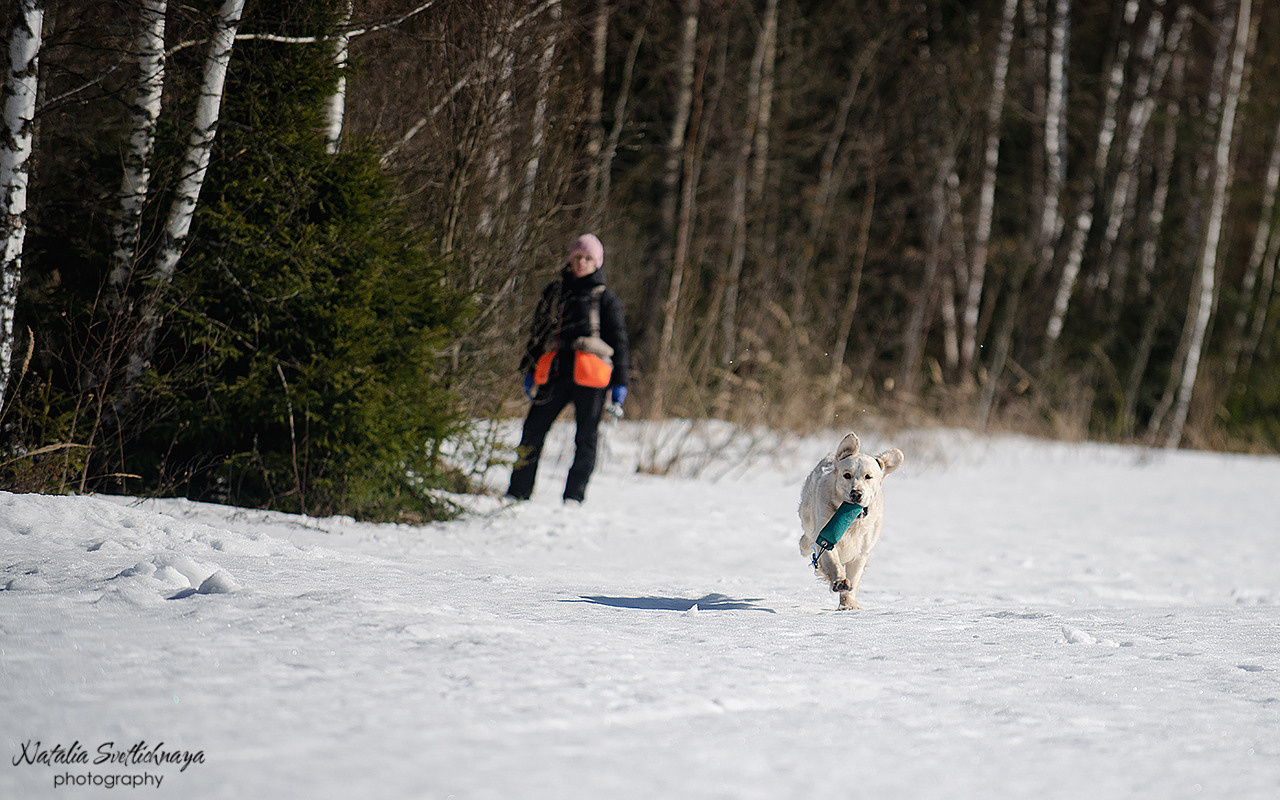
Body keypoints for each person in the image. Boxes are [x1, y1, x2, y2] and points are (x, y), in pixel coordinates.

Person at [506, 233, 630, 504]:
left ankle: (574, 497)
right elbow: (538, 333)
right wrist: (530, 368)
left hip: (592, 379)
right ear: (570, 259)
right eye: (578, 257)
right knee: (532, 430)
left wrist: (621, 383)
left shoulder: (606, 299)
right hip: (556, 373)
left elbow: (619, 342)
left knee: (586, 438)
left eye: (588, 258)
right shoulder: (555, 293)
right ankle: (517, 493)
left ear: (597, 263)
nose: (582, 262)